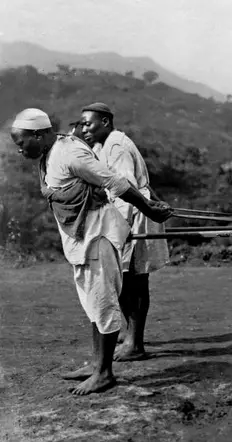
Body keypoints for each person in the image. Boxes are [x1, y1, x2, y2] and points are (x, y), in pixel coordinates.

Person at [9, 108, 173, 395]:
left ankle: (104, 373)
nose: (20, 150)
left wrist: (148, 209)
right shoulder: (52, 153)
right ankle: (97, 363)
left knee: (103, 301)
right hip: (82, 237)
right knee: (93, 304)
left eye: (22, 143)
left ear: (39, 134)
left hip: (98, 236)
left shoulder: (70, 153)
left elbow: (116, 182)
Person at [79, 102, 170, 362]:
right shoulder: (102, 145)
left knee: (134, 281)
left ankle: (135, 343)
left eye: (89, 123)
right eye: (82, 124)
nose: (84, 129)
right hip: (124, 213)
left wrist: (121, 228)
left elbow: (125, 188)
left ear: (105, 121)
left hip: (133, 214)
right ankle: (128, 334)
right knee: (123, 279)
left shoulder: (116, 146)